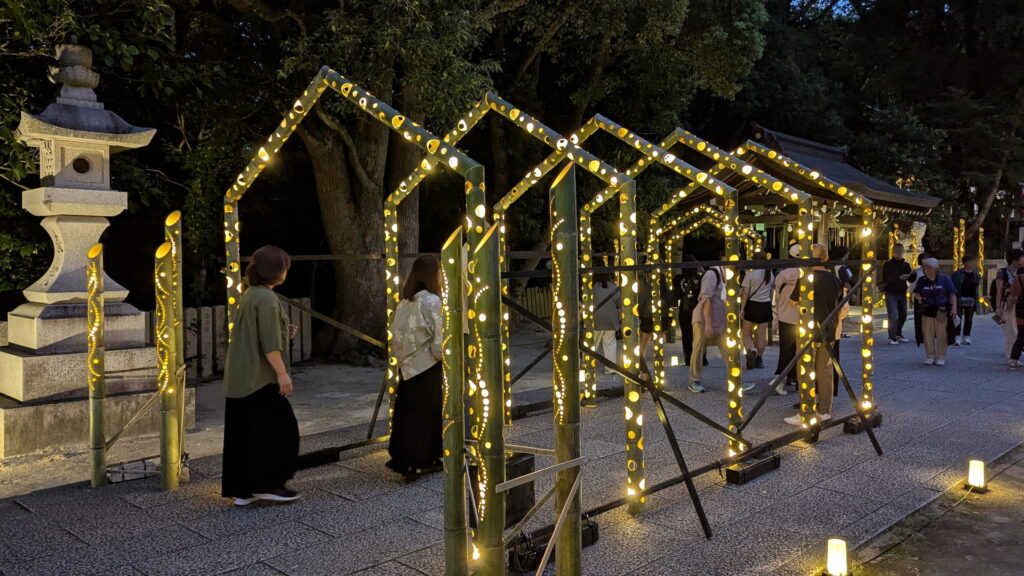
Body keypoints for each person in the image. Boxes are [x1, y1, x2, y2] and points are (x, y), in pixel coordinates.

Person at [221, 245, 300, 506]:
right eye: (284, 267)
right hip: (258, 377)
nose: (286, 271)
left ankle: (243, 489)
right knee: (280, 430)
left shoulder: (250, 293)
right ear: (276, 271)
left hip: (241, 376)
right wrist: (282, 374)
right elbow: (268, 345)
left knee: (244, 433)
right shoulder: (266, 298)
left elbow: (259, 334)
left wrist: (282, 331)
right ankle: (267, 484)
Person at [387, 255, 445, 479]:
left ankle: (407, 459)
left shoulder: (406, 301)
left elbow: (396, 334)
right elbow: (439, 338)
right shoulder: (432, 301)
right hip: (427, 364)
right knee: (427, 414)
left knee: (409, 414)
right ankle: (423, 459)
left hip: (407, 366)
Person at [784, 244, 842, 425]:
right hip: (829, 328)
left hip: (808, 329)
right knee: (825, 370)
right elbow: (839, 304)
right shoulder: (834, 279)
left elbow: (793, 302)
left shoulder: (806, 278)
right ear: (825, 258)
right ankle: (825, 411)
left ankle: (806, 410)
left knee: (805, 370)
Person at [689, 252, 754, 394]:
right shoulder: (712, 275)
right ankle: (695, 380)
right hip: (704, 319)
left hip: (721, 320)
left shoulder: (729, 277)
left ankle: (737, 381)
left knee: (730, 350)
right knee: (699, 349)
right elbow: (707, 300)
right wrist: (708, 324)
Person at [912, 258, 957, 366]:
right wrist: (920, 298)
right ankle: (930, 355)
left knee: (942, 334)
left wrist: (954, 308)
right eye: (925, 268)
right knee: (927, 334)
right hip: (927, 311)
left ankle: (941, 356)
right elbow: (916, 293)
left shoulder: (944, 279)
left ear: (935, 269)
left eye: (928, 268)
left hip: (941, 310)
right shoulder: (922, 281)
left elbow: (952, 294)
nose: (925, 270)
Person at [772, 244, 802, 395]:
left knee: (786, 350)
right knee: (800, 350)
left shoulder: (782, 275)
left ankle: (784, 378)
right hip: (802, 317)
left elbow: (777, 297)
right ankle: (785, 378)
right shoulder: (807, 274)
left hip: (785, 316)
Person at [741, 252, 773, 370]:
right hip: (765, 306)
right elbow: (771, 292)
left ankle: (749, 352)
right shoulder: (770, 275)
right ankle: (759, 359)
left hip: (752, 305)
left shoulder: (750, 275)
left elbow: (745, 293)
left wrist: (742, 309)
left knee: (746, 333)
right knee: (761, 335)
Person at [673, 254, 702, 366]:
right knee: (699, 334)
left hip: (684, 308)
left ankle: (688, 358)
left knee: (686, 334)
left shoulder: (677, 279)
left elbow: (676, 294)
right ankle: (701, 357)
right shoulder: (700, 279)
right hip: (698, 307)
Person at [995, 249, 1024, 360]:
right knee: (1010, 330)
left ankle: (1015, 353)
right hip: (1008, 305)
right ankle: (1011, 356)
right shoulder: (1002, 273)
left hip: (1020, 306)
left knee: (1019, 331)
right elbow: (999, 291)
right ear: (1016, 259)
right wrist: (998, 308)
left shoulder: (1021, 272)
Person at [882, 243, 912, 345]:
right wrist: (898, 278)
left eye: (901, 252)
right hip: (891, 291)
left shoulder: (906, 265)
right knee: (893, 315)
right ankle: (892, 336)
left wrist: (911, 275)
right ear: (893, 252)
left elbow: (911, 278)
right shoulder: (888, 264)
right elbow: (885, 278)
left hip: (902, 291)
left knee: (903, 314)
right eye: (897, 252)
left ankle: (898, 333)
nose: (899, 254)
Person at [592, 271, 620, 374]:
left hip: (596, 320)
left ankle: (589, 366)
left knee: (593, 344)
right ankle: (610, 368)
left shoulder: (593, 288)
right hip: (611, 320)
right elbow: (619, 303)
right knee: (610, 344)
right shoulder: (615, 287)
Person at [950, 255, 981, 345]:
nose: (973, 264)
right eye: (971, 261)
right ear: (965, 263)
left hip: (971, 299)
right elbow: (954, 287)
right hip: (959, 298)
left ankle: (967, 335)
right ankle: (957, 336)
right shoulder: (957, 274)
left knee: (969, 318)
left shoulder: (976, 275)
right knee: (957, 318)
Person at [907, 253, 929, 348]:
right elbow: (912, 286)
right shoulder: (917, 272)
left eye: (927, 259)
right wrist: (912, 296)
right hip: (919, 296)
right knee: (918, 318)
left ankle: (929, 335)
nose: (925, 261)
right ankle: (919, 337)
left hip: (930, 297)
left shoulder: (933, 271)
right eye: (924, 259)